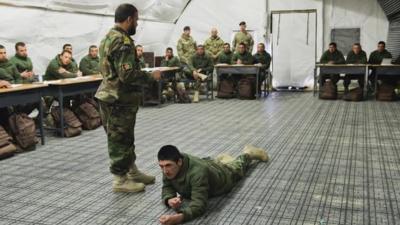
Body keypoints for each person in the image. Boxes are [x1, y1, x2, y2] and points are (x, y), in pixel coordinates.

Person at [95, 3, 161, 193]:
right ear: (129, 19)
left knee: (126, 137)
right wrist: (151, 76)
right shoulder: (122, 42)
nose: (137, 24)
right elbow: (127, 75)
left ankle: (132, 171)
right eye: (137, 20)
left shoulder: (108, 37)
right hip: (118, 99)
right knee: (118, 139)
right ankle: (120, 179)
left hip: (112, 95)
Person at [158, 144, 269, 224]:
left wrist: (179, 218)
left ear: (179, 162)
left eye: (168, 165)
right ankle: (221, 161)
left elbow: (199, 205)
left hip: (224, 178)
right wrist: (169, 199)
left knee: (238, 168)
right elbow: (167, 186)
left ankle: (248, 153)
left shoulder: (197, 172)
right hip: (207, 168)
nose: (164, 171)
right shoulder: (170, 165)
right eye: (161, 166)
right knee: (212, 167)